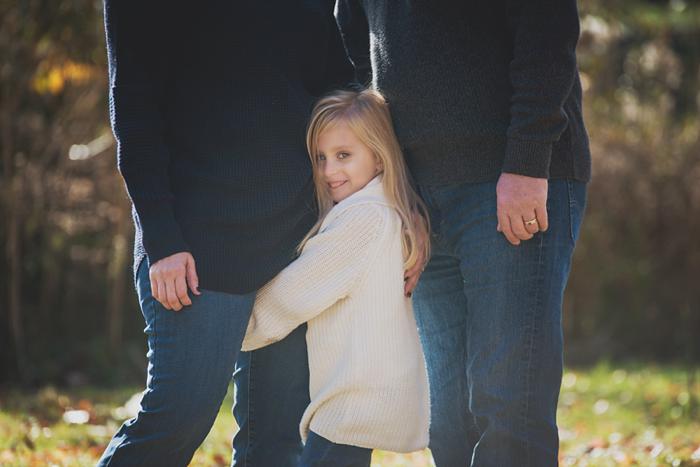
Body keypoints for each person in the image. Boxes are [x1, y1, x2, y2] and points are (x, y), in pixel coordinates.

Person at [97, 1, 375, 465]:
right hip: (199, 246)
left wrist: (373, 200)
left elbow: (339, 86)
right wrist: (163, 241)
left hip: (297, 241)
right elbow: (133, 111)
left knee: (277, 439)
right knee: (175, 420)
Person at [335, 1, 591, 465]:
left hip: (508, 180)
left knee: (509, 400)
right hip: (418, 195)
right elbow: (354, 40)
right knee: (448, 415)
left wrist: (527, 160)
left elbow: (546, 28)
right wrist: (390, 182)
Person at [241, 89, 431, 466]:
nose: (329, 172)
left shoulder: (363, 218)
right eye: (320, 158)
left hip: (351, 401)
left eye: (344, 156)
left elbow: (290, 297)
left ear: (379, 156)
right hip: (362, 396)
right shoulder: (387, 210)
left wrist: (227, 327)